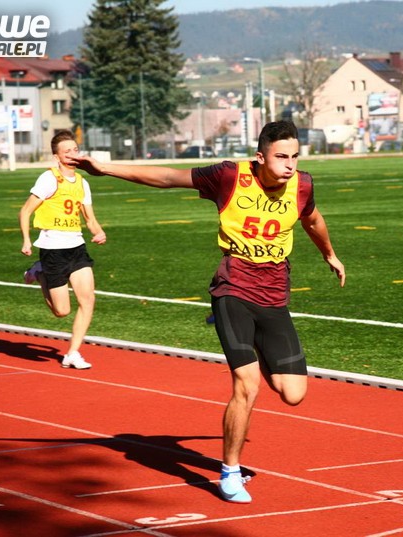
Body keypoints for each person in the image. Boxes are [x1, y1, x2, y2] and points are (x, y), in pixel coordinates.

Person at [70, 120, 345, 504]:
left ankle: (249, 340)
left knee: (293, 393)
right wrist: (105, 168)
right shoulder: (229, 177)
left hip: (274, 296)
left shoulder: (303, 185)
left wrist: (329, 254)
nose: (290, 165)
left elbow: (312, 219)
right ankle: (229, 472)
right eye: (281, 157)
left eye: (295, 157)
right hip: (233, 289)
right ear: (260, 156)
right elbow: (168, 177)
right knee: (247, 384)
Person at [19, 129, 107, 370]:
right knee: (62, 311)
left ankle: (72, 353)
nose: (72, 154)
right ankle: (39, 273)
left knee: (88, 300)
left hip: (77, 248)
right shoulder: (49, 179)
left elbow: (89, 218)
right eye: (66, 151)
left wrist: (98, 232)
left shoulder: (82, 183)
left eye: (75, 150)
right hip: (53, 251)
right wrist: (26, 240)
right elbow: (25, 211)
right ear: (56, 157)